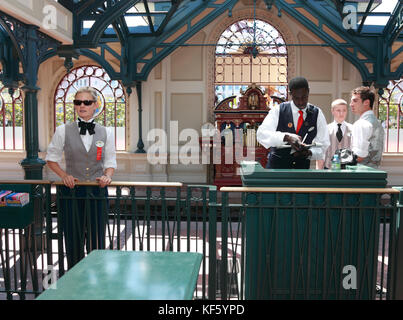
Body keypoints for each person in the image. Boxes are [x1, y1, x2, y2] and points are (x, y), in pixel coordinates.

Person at [45, 86, 117, 268]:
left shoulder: (107, 132)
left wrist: (107, 177)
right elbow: (51, 159)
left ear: (96, 105)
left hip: (97, 192)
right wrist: (64, 175)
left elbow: (110, 162)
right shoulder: (62, 130)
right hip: (71, 192)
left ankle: (95, 280)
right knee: (72, 238)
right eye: (78, 102)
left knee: (97, 239)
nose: (82, 105)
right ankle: (73, 281)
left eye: (87, 102)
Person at [256, 77, 330, 169]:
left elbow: (324, 144)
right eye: (296, 98)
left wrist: (310, 153)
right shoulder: (279, 110)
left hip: (301, 172)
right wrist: (286, 137)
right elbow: (261, 134)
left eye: (304, 97)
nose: (301, 102)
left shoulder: (317, 113)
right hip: (277, 170)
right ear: (290, 94)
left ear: (308, 91)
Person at [349, 86, 384, 168]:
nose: (351, 104)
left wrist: (339, 160)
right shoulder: (377, 123)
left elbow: (359, 156)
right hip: (374, 173)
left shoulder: (361, 123)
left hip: (360, 174)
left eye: (355, 101)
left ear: (366, 102)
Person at [318, 99, 353, 169]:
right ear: (332, 111)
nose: (341, 113)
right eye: (338, 110)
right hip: (328, 170)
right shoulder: (326, 129)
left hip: (347, 170)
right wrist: (319, 173)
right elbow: (321, 154)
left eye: (344, 110)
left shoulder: (352, 129)